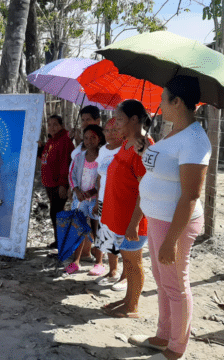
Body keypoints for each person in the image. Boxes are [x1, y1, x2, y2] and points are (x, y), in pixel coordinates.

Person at [128, 76, 211, 360]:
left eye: (164, 99)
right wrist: (144, 150)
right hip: (158, 218)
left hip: (175, 223)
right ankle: (163, 336)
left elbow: (190, 195)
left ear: (177, 101)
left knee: (176, 284)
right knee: (163, 282)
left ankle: (176, 349)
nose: (160, 104)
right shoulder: (172, 132)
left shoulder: (195, 139)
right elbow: (161, 168)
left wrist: (172, 240)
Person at [100, 99, 154, 318]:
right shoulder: (126, 142)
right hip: (119, 214)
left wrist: (134, 223)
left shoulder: (144, 147)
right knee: (127, 260)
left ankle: (132, 305)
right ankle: (128, 298)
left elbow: (145, 190)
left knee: (134, 262)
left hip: (133, 219)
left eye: (120, 119)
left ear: (134, 119)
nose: (116, 123)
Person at [65, 124, 105, 274]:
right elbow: (72, 175)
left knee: (97, 229)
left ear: (99, 138)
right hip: (80, 199)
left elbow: (103, 178)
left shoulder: (103, 158)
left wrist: (93, 191)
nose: (89, 141)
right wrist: (76, 189)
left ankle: (99, 262)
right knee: (79, 228)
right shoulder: (79, 157)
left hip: (96, 200)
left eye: (93, 137)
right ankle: (76, 261)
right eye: (86, 138)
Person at [93, 118, 125, 285]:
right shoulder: (103, 150)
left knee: (123, 240)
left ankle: (126, 276)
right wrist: (98, 200)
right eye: (107, 130)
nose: (111, 134)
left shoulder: (127, 149)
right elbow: (100, 177)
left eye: (115, 130)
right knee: (107, 236)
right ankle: (113, 271)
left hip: (121, 202)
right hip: (104, 201)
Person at [39, 115, 75, 249]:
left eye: (55, 124)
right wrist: (40, 149)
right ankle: (59, 240)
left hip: (58, 184)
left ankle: (63, 242)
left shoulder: (64, 141)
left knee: (57, 213)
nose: (52, 127)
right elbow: (46, 158)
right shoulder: (51, 141)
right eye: (49, 124)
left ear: (61, 126)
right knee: (55, 212)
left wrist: (63, 185)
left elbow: (65, 165)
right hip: (49, 183)